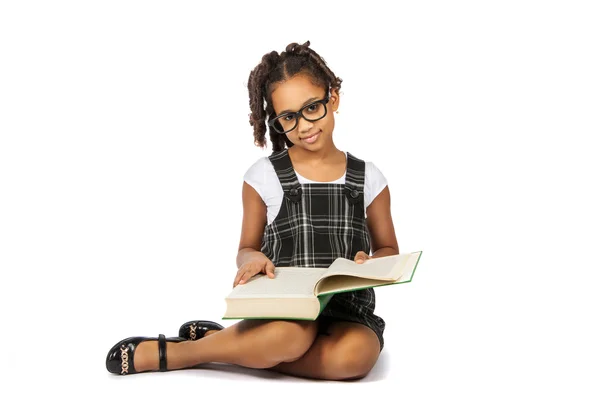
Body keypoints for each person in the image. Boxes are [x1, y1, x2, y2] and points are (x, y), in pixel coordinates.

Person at [105, 40, 399, 381]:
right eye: (288, 117)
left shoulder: (369, 177)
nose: (304, 126)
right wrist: (251, 260)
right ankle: (183, 353)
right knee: (290, 337)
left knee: (356, 358)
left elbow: (388, 249)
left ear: (332, 98)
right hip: (286, 311)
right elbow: (246, 249)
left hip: (350, 312)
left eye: (312, 108)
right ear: (276, 120)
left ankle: (228, 346)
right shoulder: (264, 176)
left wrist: (371, 263)